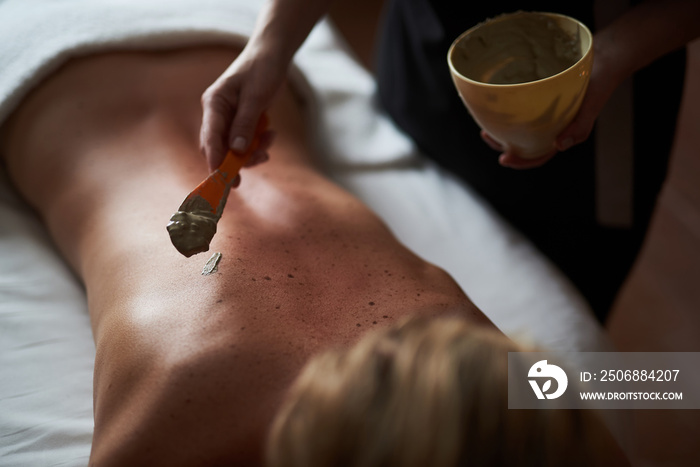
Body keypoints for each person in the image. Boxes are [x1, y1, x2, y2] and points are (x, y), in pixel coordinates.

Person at [200, 0, 700, 322]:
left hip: (593, 94)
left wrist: (613, 55)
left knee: (547, 362)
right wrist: (269, 46)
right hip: (426, 61)